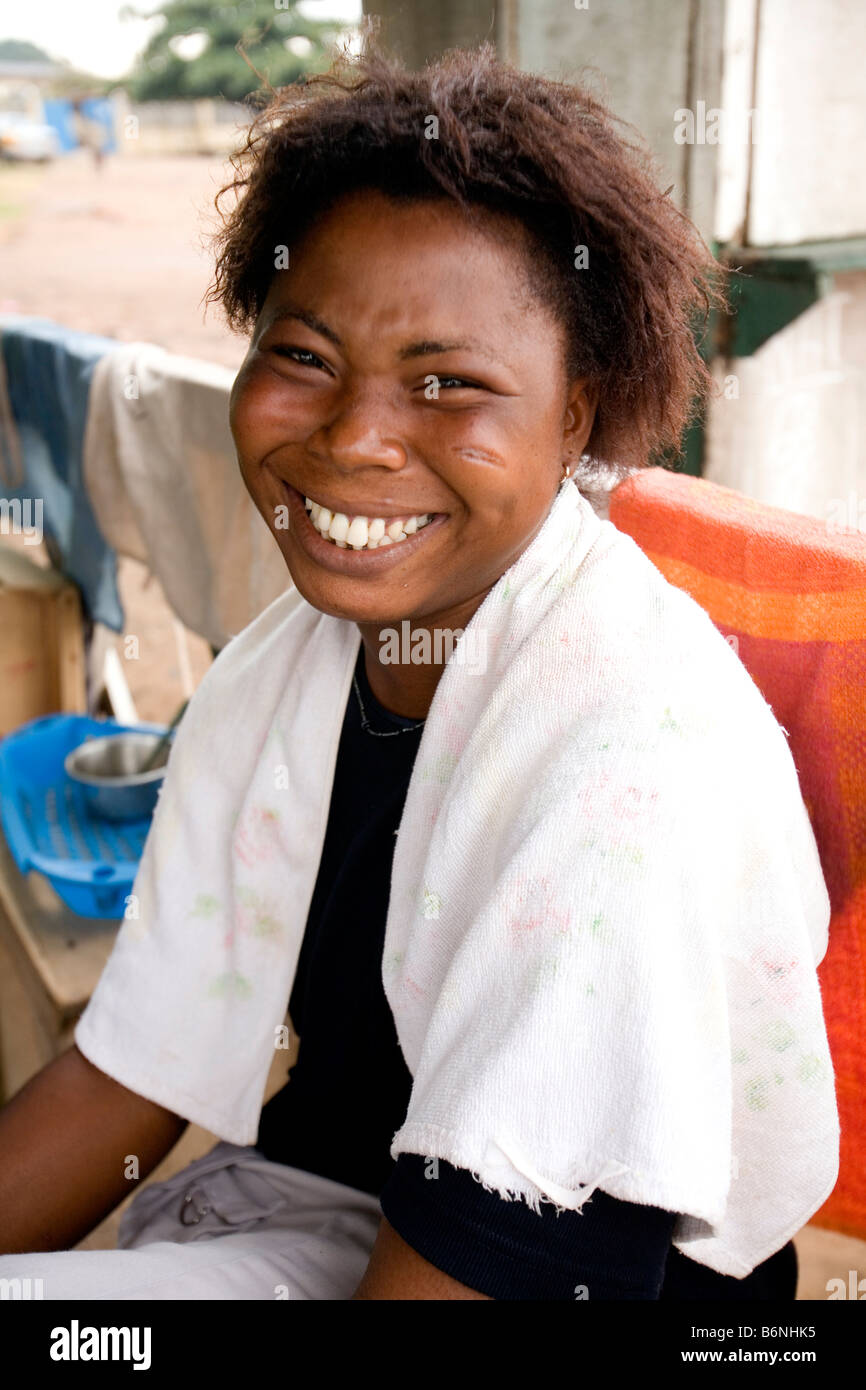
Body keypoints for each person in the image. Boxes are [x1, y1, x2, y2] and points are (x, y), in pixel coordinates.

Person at [0, 41, 838, 1301]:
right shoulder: (283, 673)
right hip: (346, 1209)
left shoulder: (621, 776)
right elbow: (137, 1068)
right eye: (304, 358)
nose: (353, 440)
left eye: (449, 385)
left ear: (573, 414)